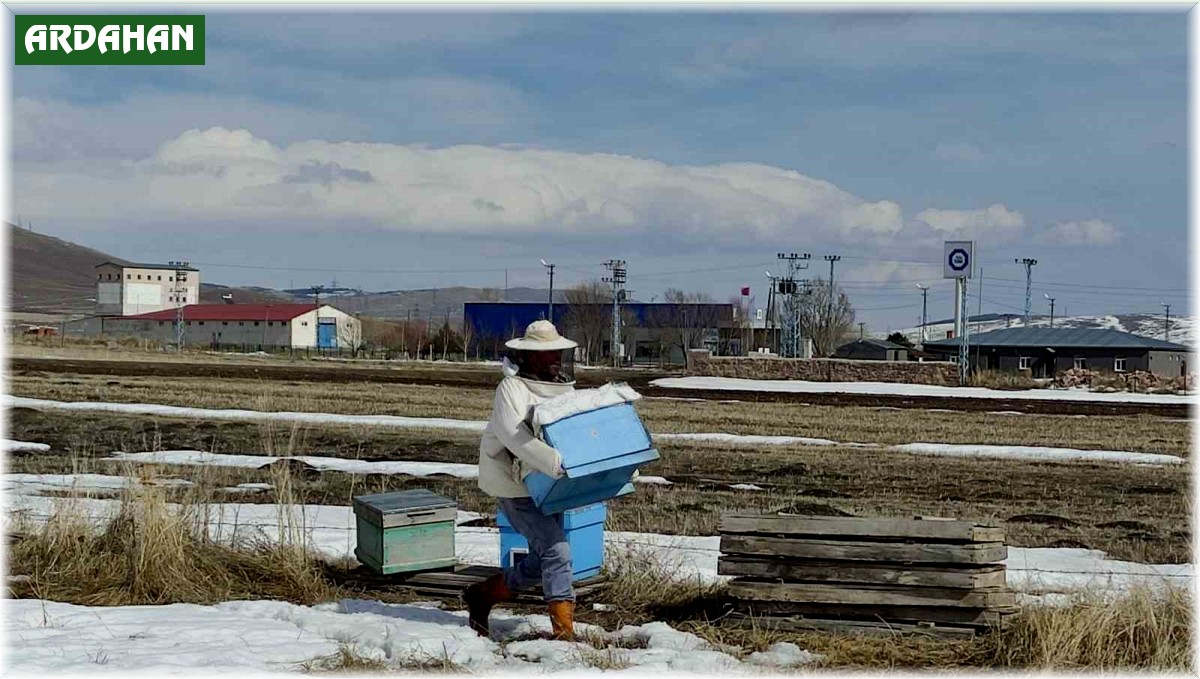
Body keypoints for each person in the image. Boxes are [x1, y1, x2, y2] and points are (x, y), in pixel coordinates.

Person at [464, 319, 578, 641]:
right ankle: (565, 638)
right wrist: (556, 462)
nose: (555, 358)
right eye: (547, 353)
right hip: (515, 487)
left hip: (550, 487)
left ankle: (482, 596)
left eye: (558, 352)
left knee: (540, 559)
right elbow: (514, 437)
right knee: (558, 551)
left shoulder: (562, 390)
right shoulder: (511, 389)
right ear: (528, 356)